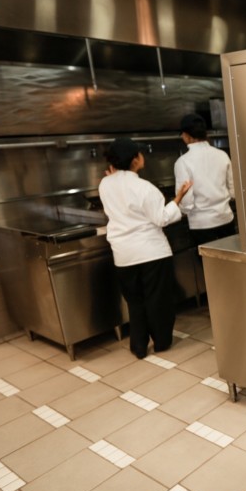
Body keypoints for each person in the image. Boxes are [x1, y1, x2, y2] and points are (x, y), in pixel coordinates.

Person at [99, 138, 192, 359]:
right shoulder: (144, 188)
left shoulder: (105, 184)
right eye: (141, 154)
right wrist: (177, 198)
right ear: (135, 160)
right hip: (151, 253)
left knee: (135, 302)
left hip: (123, 255)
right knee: (157, 301)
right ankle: (161, 342)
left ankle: (138, 347)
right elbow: (161, 218)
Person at [174, 113, 238, 245]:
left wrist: (183, 210)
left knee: (210, 265)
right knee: (231, 263)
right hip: (226, 219)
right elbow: (233, 189)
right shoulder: (222, 155)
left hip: (201, 225)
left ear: (186, 135)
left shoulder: (183, 162)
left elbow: (186, 201)